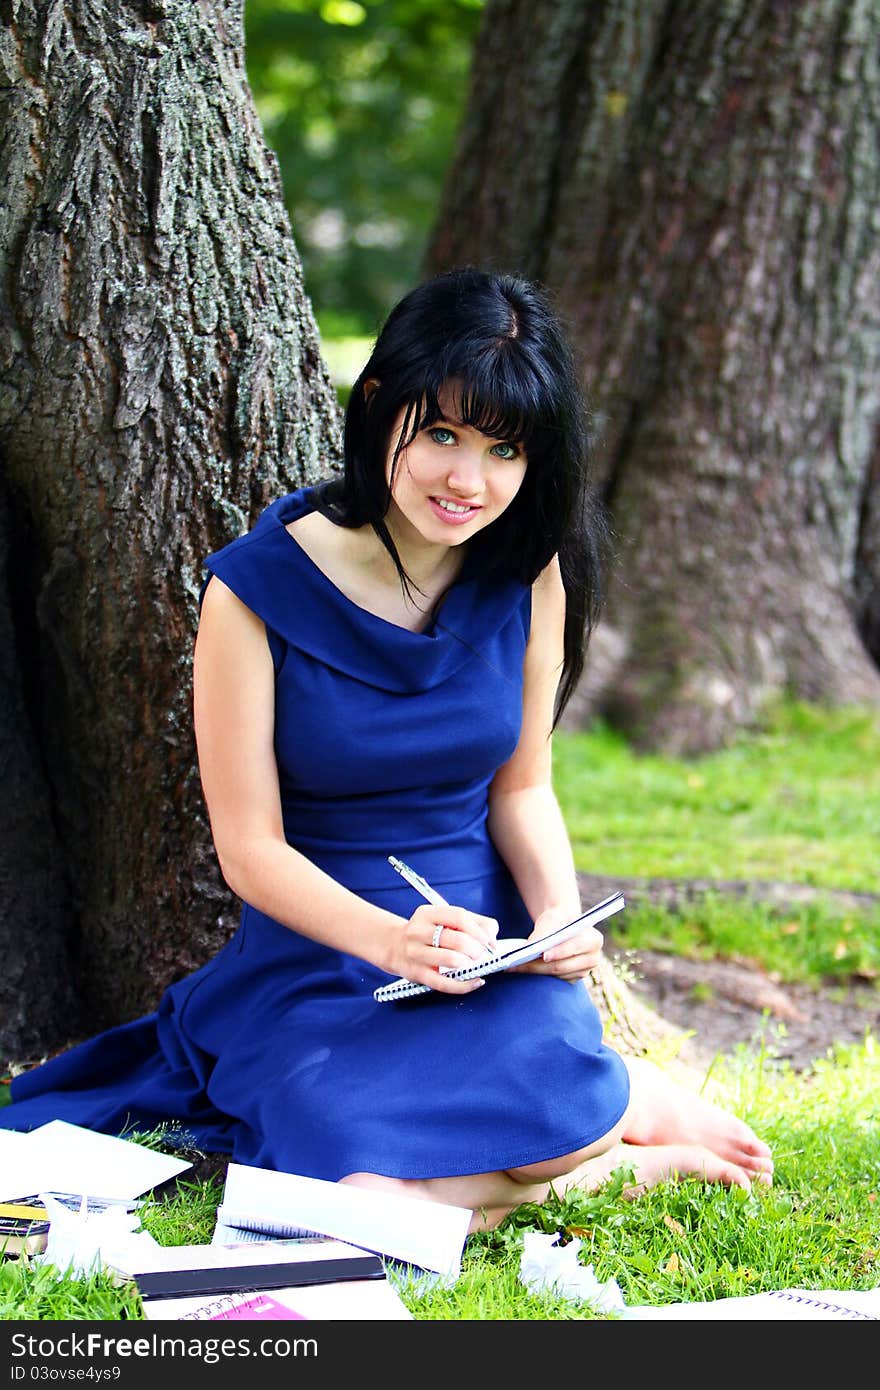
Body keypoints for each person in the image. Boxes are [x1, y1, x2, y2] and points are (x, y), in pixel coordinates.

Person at [0, 267, 772, 1228]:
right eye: (442, 433)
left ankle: (602, 1124)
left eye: (504, 451)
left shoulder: (528, 576)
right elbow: (250, 852)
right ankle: (614, 1158)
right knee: (334, 1179)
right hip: (320, 950)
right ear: (379, 405)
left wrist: (558, 917)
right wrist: (391, 940)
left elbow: (522, 789)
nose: (467, 479)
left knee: (552, 1119)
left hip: (486, 944)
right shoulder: (254, 591)